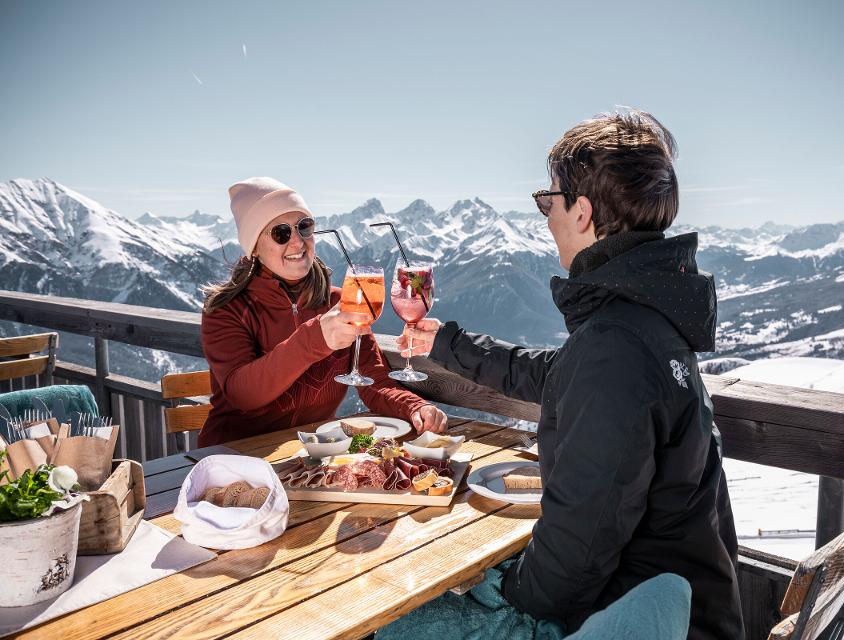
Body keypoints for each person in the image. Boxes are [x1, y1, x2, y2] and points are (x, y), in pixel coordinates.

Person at [391, 111, 744, 639]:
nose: (544, 216)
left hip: (631, 618)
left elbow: (579, 545)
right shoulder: (645, 319)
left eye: (546, 200)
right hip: (674, 597)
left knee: (402, 621)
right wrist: (445, 343)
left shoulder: (616, 345)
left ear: (582, 211)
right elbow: (560, 376)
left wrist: (508, 598)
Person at [198, 177, 446, 447]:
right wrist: (315, 338)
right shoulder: (227, 310)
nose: (297, 242)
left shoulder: (341, 302)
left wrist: (414, 407)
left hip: (312, 454)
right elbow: (242, 394)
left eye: (304, 227)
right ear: (254, 247)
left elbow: (373, 378)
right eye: (281, 233)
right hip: (236, 457)